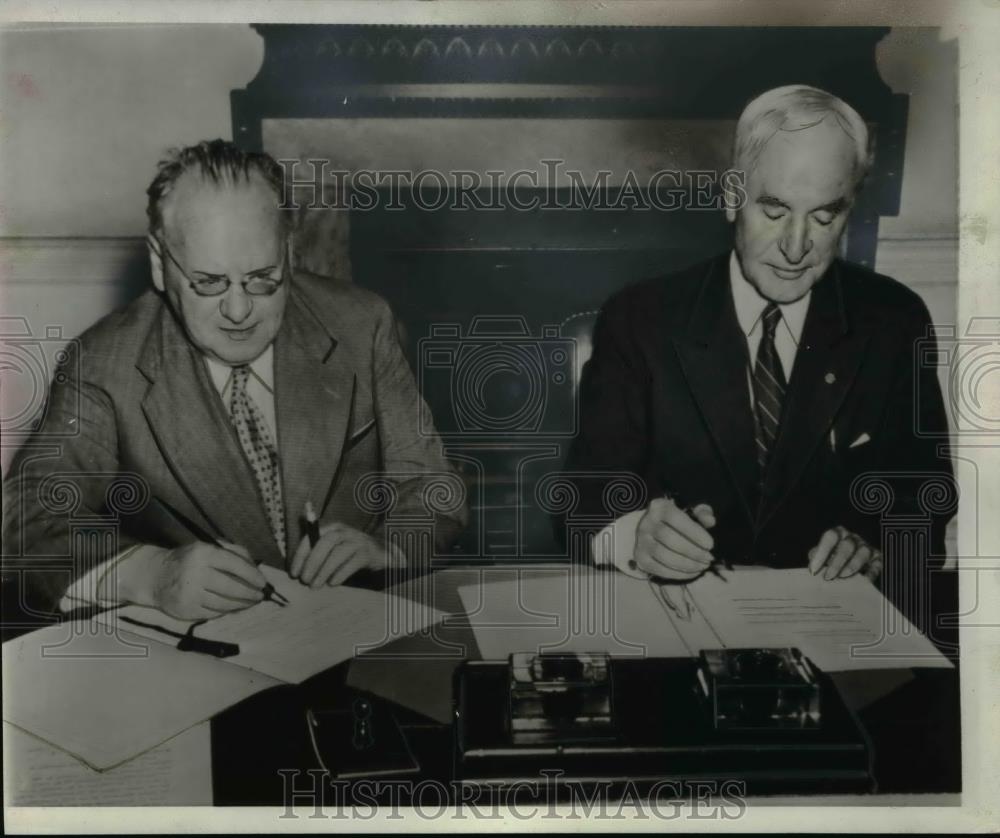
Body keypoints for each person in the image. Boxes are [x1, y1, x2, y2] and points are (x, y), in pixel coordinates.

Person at [2, 140, 465, 621]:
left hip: (359, 634)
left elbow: (434, 487)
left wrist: (389, 549)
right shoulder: (104, 363)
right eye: (208, 282)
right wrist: (150, 575)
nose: (239, 310)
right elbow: (25, 520)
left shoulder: (361, 323)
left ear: (289, 249)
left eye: (263, 278)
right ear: (161, 263)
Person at [561, 86, 955, 634]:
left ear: (850, 209)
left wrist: (876, 543)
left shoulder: (894, 320)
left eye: (824, 217)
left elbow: (925, 495)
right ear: (731, 196)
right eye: (774, 210)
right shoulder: (641, 318)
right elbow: (582, 500)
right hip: (675, 631)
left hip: (836, 631)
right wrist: (632, 535)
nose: (796, 247)